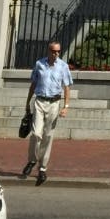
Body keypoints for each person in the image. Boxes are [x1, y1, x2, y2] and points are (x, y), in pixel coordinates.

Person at [22, 40, 72, 185]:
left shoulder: (63, 66)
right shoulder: (39, 64)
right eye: (54, 51)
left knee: (48, 136)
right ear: (48, 51)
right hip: (39, 101)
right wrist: (27, 103)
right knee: (36, 133)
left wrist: (66, 106)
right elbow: (33, 84)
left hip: (54, 103)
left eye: (58, 51)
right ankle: (32, 160)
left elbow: (67, 87)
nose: (56, 54)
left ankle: (42, 168)